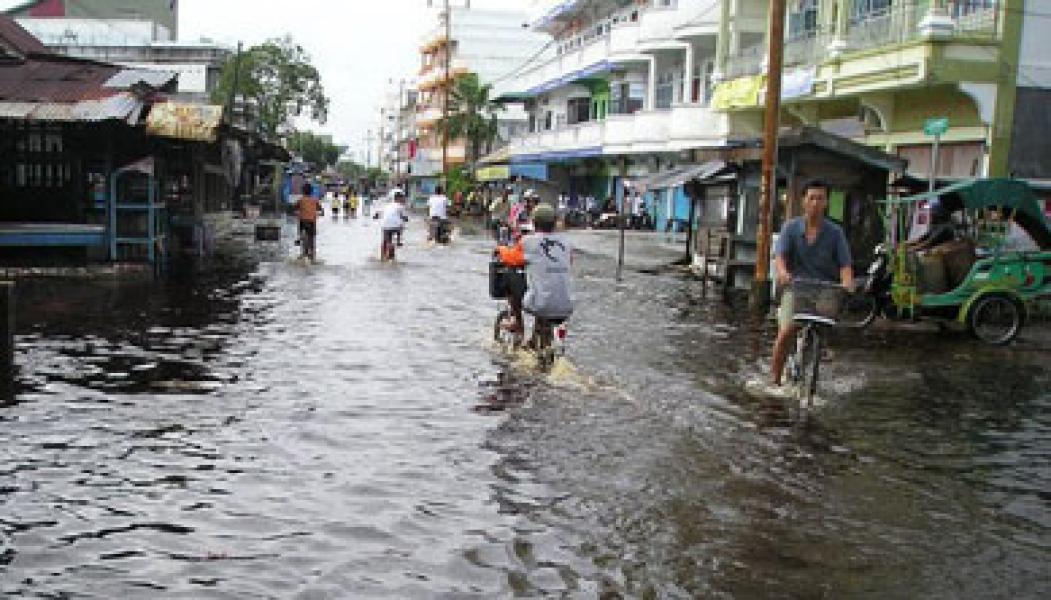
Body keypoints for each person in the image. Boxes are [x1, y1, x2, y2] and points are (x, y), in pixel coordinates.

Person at [769, 179, 853, 390]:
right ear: (804, 201)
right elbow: (780, 256)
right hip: (796, 287)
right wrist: (783, 272)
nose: (815, 203)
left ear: (826, 203)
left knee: (824, 329)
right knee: (786, 332)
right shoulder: (790, 228)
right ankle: (774, 381)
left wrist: (847, 283)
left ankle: (814, 359)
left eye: (820, 198)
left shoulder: (835, 233)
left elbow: (845, 265)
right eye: (812, 198)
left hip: (824, 290)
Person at [376, 189, 409, 260]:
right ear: (398, 198)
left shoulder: (387, 206)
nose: (403, 199)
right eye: (402, 198)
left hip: (385, 226)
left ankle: (383, 256)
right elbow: (405, 217)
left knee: (385, 240)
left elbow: (378, 214)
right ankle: (397, 242)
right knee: (400, 228)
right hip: (396, 227)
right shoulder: (400, 206)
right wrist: (405, 219)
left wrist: (376, 216)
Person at [297, 182, 323, 260]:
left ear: (302, 191)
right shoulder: (315, 200)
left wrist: (296, 213)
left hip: (303, 221)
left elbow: (294, 209)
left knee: (302, 235)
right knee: (312, 239)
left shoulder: (300, 200)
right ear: (311, 191)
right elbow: (321, 210)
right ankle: (312, 255)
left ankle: (303, 252)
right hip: (312, 221)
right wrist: (319, 214)